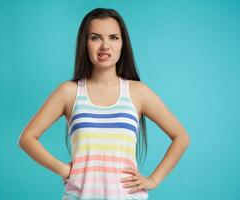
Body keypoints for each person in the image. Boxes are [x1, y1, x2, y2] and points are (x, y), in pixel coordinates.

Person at [18, 7, 190, 200]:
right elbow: (27, 138)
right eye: (95, 37)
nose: (105, 46)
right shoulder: (69, 92)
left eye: (114, 37)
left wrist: (153, 179)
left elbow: (181, 137)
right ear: (85, 43)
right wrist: (64, 169)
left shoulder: (138, 92)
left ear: (123, 43)